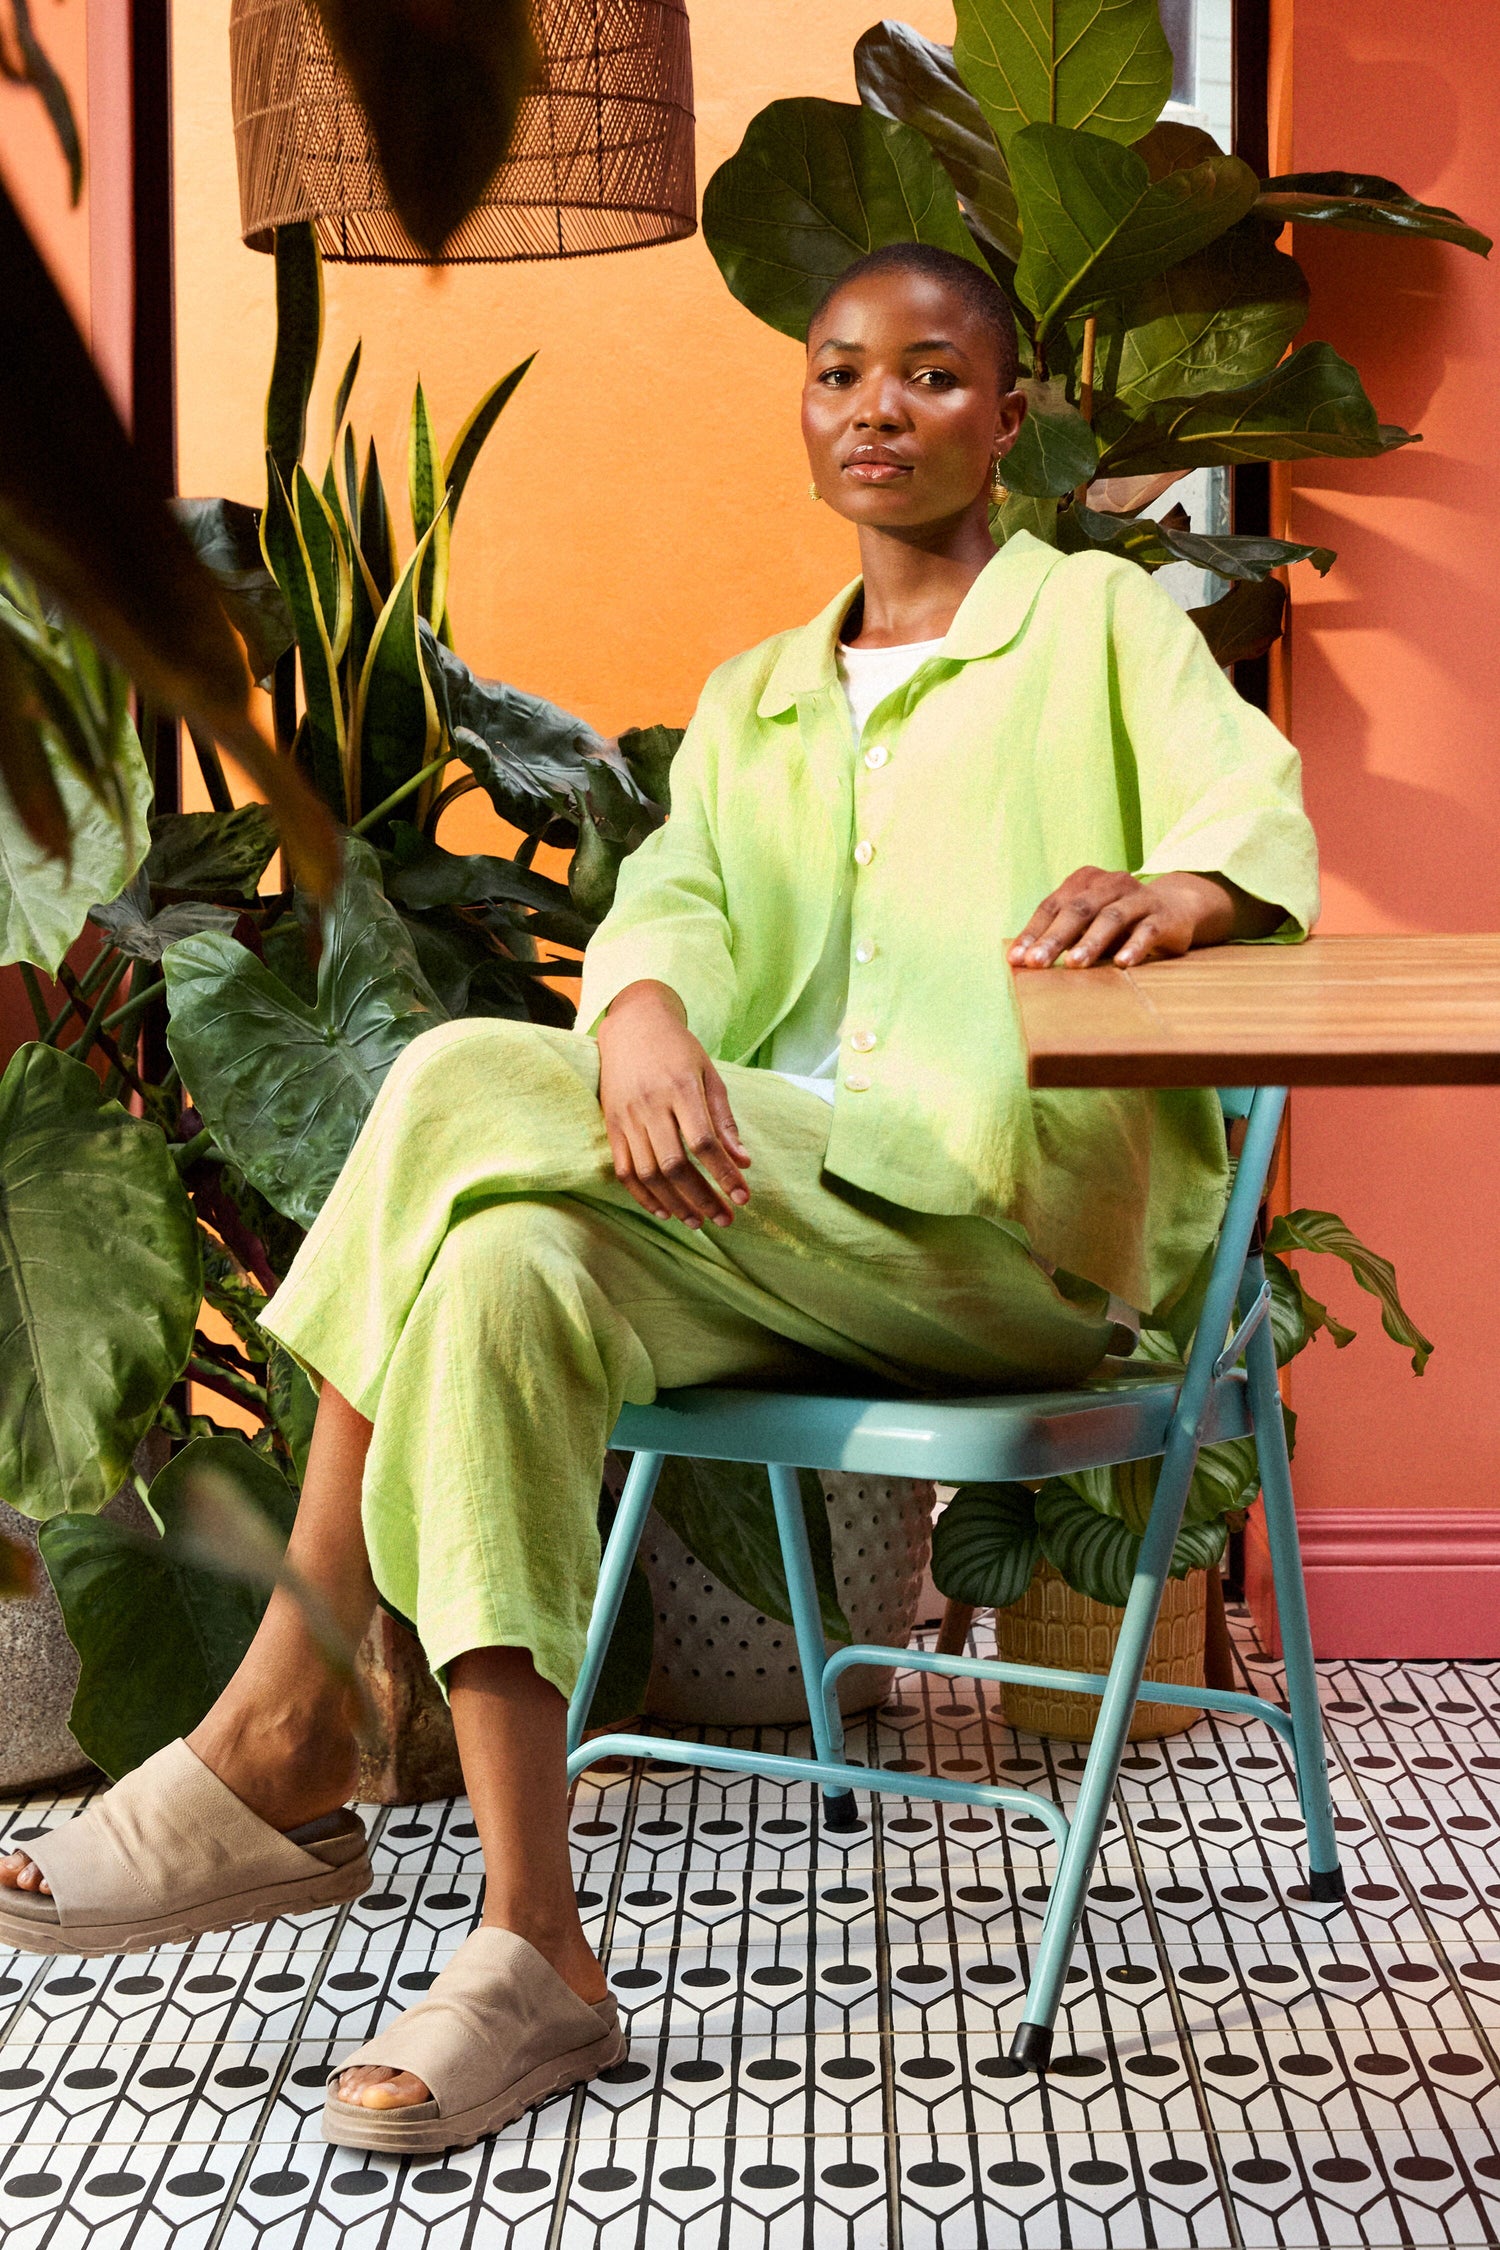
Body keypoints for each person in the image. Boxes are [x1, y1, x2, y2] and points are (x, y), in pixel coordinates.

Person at [0, 243, 1316, 2153]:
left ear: (1009, 419)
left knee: (454, 1070)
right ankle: (537, 1951)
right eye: (839, 372)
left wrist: (1186, 893)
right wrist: (630, 1012)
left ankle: (290, 1706)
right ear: (803, 409)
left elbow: (1249, 808)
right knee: (506, 1271)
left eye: (933, 377)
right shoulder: (761, 694)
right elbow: (676, 905)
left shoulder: (1097, 628)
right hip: (762, 1205)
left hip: (993, 1227)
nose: (880, 408)